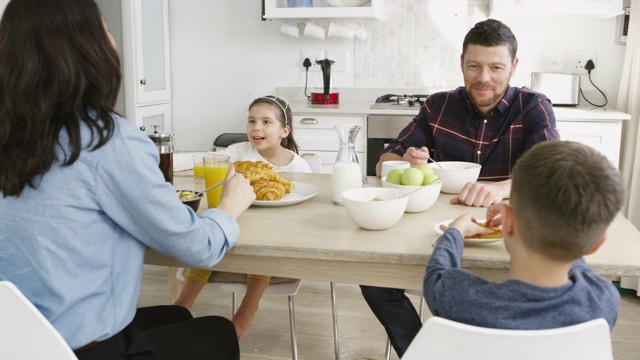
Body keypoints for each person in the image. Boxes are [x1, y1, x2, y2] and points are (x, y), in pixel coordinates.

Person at [0, 0, 256, 359]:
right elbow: (197, 246)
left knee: (177, 314)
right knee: (218, 331)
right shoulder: (104, 140)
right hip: (81, 351)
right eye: (104, 28)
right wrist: (229, 206)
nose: (114, 41)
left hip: (16, 344)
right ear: (85, 48)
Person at [362, 18, 561, 357]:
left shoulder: (533, 107)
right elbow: (384, 161)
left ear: (513, 67)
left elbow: (553, 173)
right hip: (440, 232)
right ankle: (419, 351)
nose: (484, 78)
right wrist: (402, 161)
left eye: (496, 67)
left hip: (505, 237)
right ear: (462, 64)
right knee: (373, 278)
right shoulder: (439, 106)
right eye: (474, 66)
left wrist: (501, 189)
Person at [425, 140, 623, 331]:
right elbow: (576, 251)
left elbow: (435, 276)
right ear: (596, 245)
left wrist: (455, 232)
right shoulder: (604, 300)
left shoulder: (459, 297)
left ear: (508, 223)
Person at [174, 95, 311, 340]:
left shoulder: (298, 167)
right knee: (208, 232)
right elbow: (199, 160)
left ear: (284, 131)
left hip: (274, 235)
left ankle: (248, 307)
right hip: (235, 221)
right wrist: (160, 158)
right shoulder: (237, 153)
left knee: (265, 245)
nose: (256, 127)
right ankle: (182, 305)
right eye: (251, 121)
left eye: (266, 122)